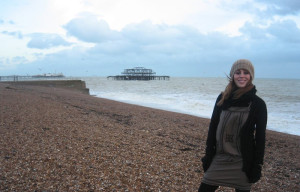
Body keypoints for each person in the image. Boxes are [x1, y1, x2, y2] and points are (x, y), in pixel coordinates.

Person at [198, 59, 267, 192]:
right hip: (219, 158)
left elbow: (260, 138)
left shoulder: (258, 104)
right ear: (232, 75)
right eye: (238, 72)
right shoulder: (222, 98)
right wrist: (208, 155)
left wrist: (257, 166)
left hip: (243, 163)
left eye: (246, 73)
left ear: (251, 76)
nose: (242, 75)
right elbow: (213, 127)